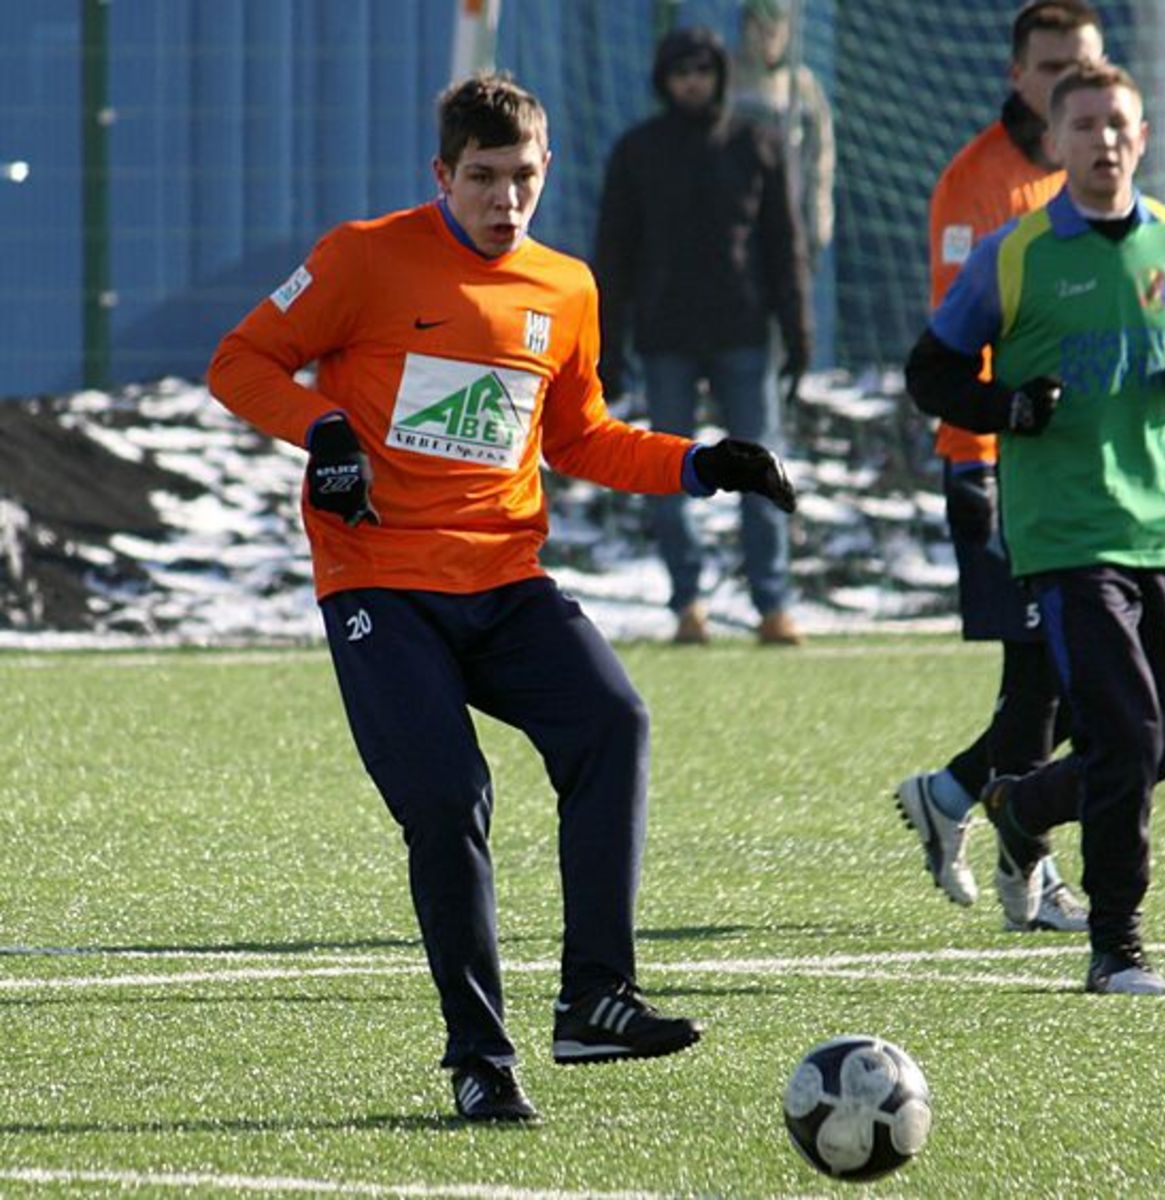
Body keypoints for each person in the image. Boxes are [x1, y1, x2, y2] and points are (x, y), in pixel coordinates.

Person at [208, 72, 799, 1120]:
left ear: (544, 171)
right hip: (380, 585)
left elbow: (575, 437)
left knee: (611, 720)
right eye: (481, 177)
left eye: (521, 176)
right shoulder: (363, 257)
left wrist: (702, 464)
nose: (503, 198)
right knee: (448, 798)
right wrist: (327, 431)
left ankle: (594, 1002)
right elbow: (240, 360)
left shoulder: (564, 287)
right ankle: (479, 1055)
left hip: (505, 580)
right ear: (442, 174)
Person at [904, 60, 1165, 995]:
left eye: (1118, 125)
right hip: (1061, 529)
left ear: (1144, 137)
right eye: (1083, 126)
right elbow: (929, 371)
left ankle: (1020, 805)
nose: (1104, 142)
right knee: (1126, 737)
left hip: (1158, 523)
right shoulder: (1015, 254)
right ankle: (1117, 944)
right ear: (1056, 144)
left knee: (1155, 750)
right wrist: (1004, 406)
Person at [895, 0, 1107, 934]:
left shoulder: (1100, 177)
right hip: (995, 468)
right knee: (1047, 681)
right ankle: (1031, 865)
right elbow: (953, 345)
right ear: (1018, 75)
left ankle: (948, 797)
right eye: (1054, 65)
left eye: (1087, 65)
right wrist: (992, 436)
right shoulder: (973, 185)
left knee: (1061, 679)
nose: (1071, 81)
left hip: (1080, 471)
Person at [594, 25, 812, 647]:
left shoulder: (757, 144)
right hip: (665, 340)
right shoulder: (636, 151)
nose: (693, 81)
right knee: (665, 474)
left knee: (760, 468)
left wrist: (798, 333)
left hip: (745, 334)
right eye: (680, 71)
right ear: (664, 80)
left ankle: (773, 606)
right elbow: (614, 256)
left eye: (703, 69)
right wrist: (610, 346)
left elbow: (785, 246)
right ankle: (687, 603)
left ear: (719, 74)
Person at [729, 0, 836, 268]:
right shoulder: (727, 81)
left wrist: (817, 223)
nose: (766, 37)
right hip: (734, 228)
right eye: (758, 27)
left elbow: (820, 162)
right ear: (745, 27)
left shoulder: (804, 90)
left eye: (774, 28)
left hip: (788, 227)